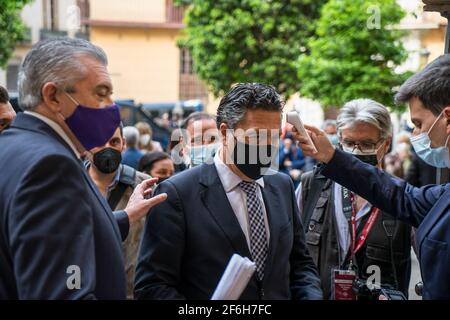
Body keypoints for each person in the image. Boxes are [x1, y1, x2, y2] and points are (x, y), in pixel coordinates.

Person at [0, 38, 166, 299]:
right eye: (101, 93)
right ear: (53, 96)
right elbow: (66, 287)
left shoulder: (13, 146)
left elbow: (56, 234)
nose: (112, 106)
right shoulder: (52, 166)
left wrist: (126, 216)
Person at [135, 83, 322, 300]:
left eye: (273, 137)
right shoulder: (177, 194)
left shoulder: (282, 186)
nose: (267, 146)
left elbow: (300, 265)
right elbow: (152, 286)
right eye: (256, 137)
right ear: (225, 133)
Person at [293, 54, 450, 299]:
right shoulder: (311, 186)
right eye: (349, 143)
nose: (416, 133)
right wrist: (333, 158)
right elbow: (402, 197)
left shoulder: (422, 202)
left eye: (418, 124)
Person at [297, 99, 411, 299]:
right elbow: (290, 252)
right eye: (349, 143)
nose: (356, 151)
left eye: (367, 144)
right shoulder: (311, 185)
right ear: (339, 141)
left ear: (385, 144)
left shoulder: (402, 196)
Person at [85, 124, 151, 299]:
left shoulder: (145, 186)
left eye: (114, 141)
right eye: (99, 141)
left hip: (132, 292)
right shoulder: (70, 184)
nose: (108, 148)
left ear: (123, 144)